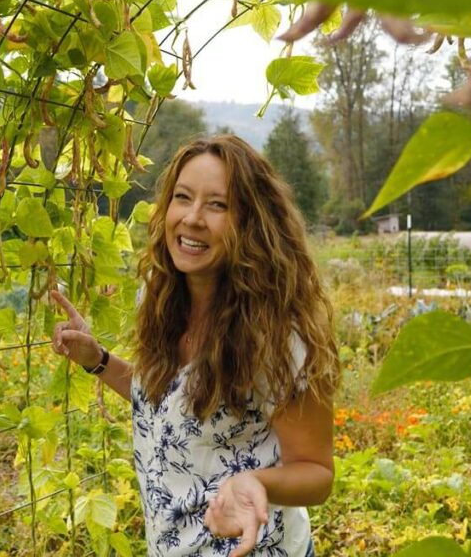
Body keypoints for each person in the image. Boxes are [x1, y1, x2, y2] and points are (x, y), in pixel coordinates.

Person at [51, 135, 339, 557]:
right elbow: (169, 402)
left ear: (252, 222)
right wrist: (97, 360)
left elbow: (317, 472)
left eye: (218, 205)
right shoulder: (158, 296)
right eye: (182, 198)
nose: (193, 218)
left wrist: (255, 482)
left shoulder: (279, 335)